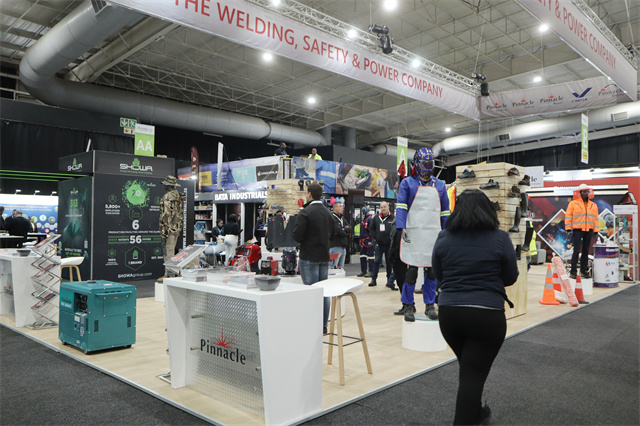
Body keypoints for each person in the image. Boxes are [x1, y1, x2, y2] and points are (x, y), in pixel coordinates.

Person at [432, 188, 519, 425]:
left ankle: (477, 414)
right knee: (472, 375)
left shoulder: (443, 237)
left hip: (450, 315)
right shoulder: (500, 238)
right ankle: (469, 418)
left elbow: (438, 275)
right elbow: (510, 277)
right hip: (486, 315)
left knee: (470, 371)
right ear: (487, 210)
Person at [396, 147, 450, 321]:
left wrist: (446, 231)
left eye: (431, 163)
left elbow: (445, 211)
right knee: (411, 271)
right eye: (425, 163)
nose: (429, 166)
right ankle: (408, 305)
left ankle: (429, 305)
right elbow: (401, 206)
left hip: (433, 235)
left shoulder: (440, 185)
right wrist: (401, 228)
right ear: (417, 164)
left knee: (432, 271)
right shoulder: (407, 183)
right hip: (413, 233)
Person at [293, 182, 335, 334]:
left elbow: (297, 236)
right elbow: (334, 233)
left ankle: (312, 326)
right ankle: (323, 326)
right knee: (323, 293)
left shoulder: (305, 213)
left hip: (309, 257)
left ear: (309, 194)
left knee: (311, 292)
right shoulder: (328, 213)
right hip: (324, 257)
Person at [565, 183, 599, 279]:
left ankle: (584, 271)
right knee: (576, 251)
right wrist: (568, 229)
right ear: (580, 193)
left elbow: (596, 219)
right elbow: (568, 216)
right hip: (577, 230)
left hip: (589, 230)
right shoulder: (573, 204)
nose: (586, 193)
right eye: (584, 191)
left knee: (585, 251)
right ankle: (573, 272)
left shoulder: (593, 205)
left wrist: (596, 231)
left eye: (587, 191)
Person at [159, 176, 185, 280]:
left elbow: (166, 214)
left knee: (168, 252)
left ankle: (169, 274)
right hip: (177, 228)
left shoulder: (167, 197)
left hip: (169, 229)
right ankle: (173, 273)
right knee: (172, 251)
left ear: (167, 186)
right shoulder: (178, 196)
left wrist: (165, 229)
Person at [369, 201, 397, 290]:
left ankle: (389, 281)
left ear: (388, 207)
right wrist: (375, 237)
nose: (383, 208)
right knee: (376, 261)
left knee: (389, 263)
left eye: (385, 207)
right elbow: (371, 228)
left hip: (389, 245)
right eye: (381, 207)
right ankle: (374, 279)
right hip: (379, 244)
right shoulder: (376, 218)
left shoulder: (393, 218)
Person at [329, 201, 351, 269]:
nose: (342, 208)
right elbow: (338, 230)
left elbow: (350, 228)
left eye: (342, 206)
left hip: (343, 246)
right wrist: (344, 231)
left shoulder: (342, 218)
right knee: (334, 268)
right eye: (340, 206)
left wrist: (343, 229)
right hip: (335, 246)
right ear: (335, 208)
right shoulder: (332, 218)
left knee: (341, 268)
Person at [356, 209, 375, 278]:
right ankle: (363, 271)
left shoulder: (369, 219)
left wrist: (370, 241)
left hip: (368, 241)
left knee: (370, 256)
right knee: (362, 255)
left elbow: (371, 230)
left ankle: (371, 271)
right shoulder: (364, 219)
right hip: (363, 241)